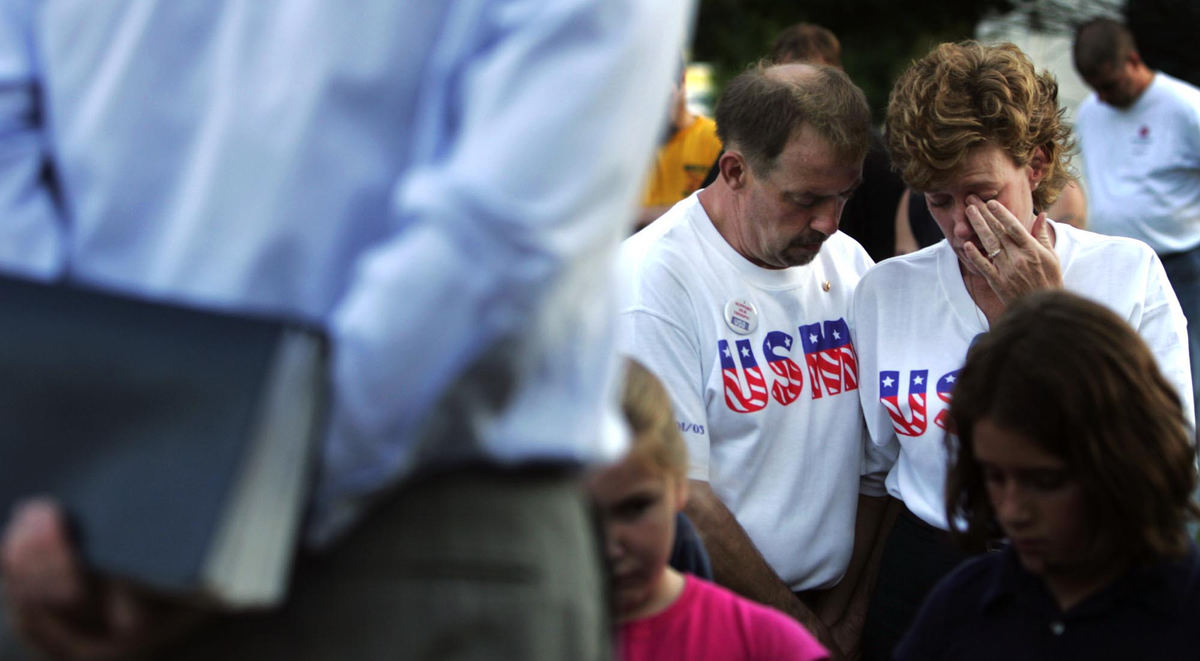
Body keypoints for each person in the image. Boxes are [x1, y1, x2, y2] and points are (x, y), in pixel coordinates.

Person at [0, 1, 692, 659]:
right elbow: (505, 244)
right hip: (418, 559)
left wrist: (90, 468)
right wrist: (225, 504)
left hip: (72, 531)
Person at [851, 40, 1194, 661]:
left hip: (1087, 572)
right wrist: (850, 612)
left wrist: (1048, 315)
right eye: (938, 200)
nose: (959, 224)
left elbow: (1166, 460)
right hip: (930, 570)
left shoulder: (1126, 274)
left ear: (1036, 165)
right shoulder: (886, 290)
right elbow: (875, 477)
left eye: (982, 194)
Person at [618, 62, 891, 658]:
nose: (829, 222)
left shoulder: (848, 264)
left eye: (845, 195)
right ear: (735, 170)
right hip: (717, 624)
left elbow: (878, 464)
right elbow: (683, 495)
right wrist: (801, 633)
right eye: (805, 199)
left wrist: (844, 617)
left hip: (830, 608)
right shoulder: (653, 283)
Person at [897, 291, 1200, 659]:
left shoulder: (1184, 613)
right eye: (994, 477)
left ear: (1122, 460)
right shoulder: (963, 604)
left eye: (1045, 482)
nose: (1012, 512)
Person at [589, 359, 829, 661]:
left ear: (679, 487)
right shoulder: (523, 639)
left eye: (636, 508)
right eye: (583, 515)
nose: (612, 546)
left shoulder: (768, 644)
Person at [1073, 17, 1200, 427]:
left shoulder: (1186, 106)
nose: (1103, 98)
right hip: (1116, 263)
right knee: (1124, 372)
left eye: (1109, 85)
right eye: (1094, 88)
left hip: (1182, 264)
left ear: (1132, 60)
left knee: (1185, 373)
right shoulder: (1092, 112)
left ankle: (1187, 477)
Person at [767, 23, 906, 263]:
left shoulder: (874, 155)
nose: (802, 94)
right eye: (789, 85)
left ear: (838, 76)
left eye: (815, 80)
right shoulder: (756, 146)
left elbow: (891, 248)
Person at [636, 63, 723, 232]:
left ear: (682, 80)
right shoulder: (630, 143)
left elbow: (721, 212)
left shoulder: (718, 139)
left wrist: (642, 215)